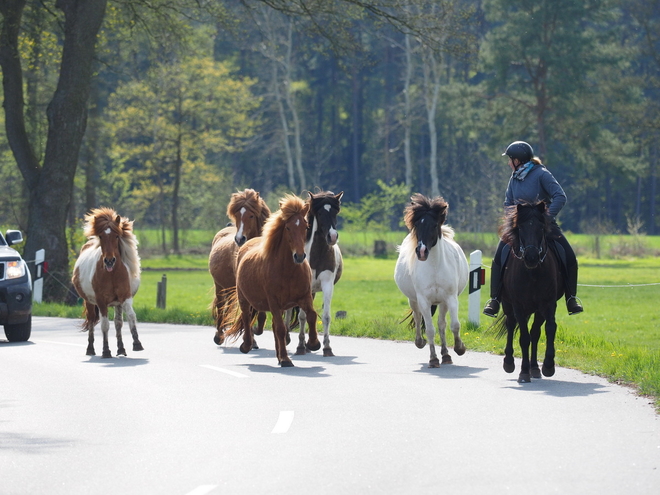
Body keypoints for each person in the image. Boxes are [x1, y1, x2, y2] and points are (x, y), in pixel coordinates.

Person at [483, 141, 583, 317]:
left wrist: (546, 218)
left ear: (518, 160)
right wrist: (512, 221)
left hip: (543, 226)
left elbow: (560, 196)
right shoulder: (514, 178)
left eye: (510, 159)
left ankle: (571, 298)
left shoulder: (542, 174)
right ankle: (495, 299)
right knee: (498, 257)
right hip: (519, 228)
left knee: (569, 256)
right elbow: (508, 202)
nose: (508, 163)